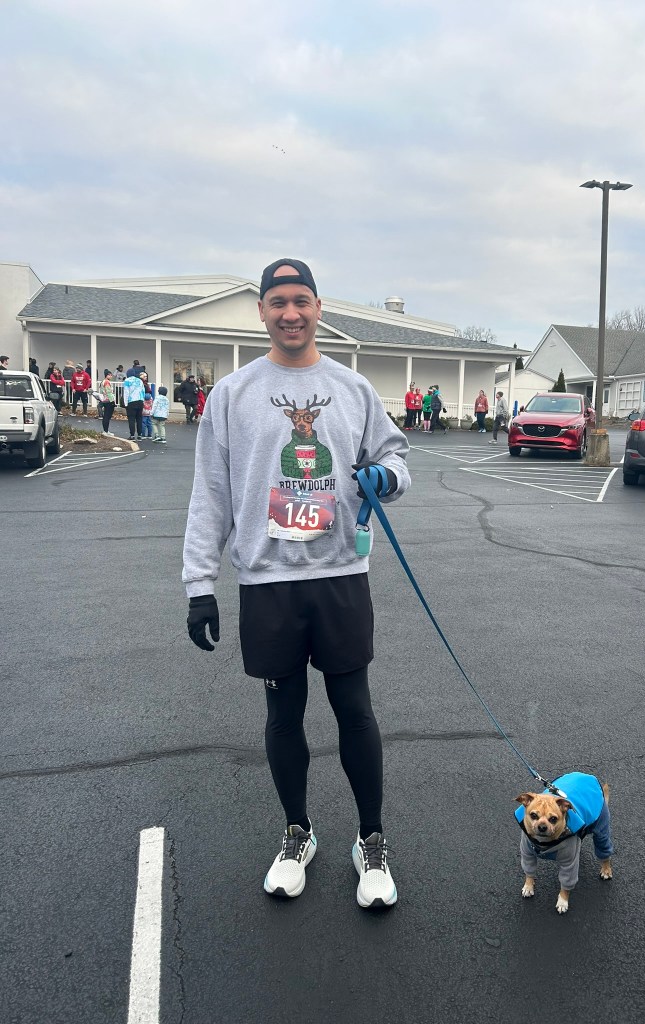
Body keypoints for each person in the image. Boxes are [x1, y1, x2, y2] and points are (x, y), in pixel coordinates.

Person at [183, 257, 410, 910]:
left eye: (301, 299)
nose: (290, 312)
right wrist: (200, 583)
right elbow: (211, 495)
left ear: (318, 307)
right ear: (261, 311)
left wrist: (386, 479)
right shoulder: (231, 396)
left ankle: (371, 843)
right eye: (277, 300)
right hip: (268, 583)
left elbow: (396, 455)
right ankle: (297, 835)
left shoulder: (353, 388)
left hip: (340, 578)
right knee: (283, 714)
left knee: (355, 712)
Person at [123, 369, 145, 440]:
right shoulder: (140, 380)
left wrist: (125, 403)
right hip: (140, 400)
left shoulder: (127, 381)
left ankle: (132, 435)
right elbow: (143, 391)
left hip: (131, 401)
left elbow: (126, 393)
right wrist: (143, 400)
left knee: (131, 419)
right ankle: (140, 435)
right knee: (139, 418)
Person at [100, 370, 116, 435]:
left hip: (104, 400)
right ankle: (105, 431)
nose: (111, 376)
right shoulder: (107, 382)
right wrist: (112, 401)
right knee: (107, 416)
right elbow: (109, 392)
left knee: (106, 416)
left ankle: (106, 430)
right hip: (108, 400)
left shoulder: (103, 382)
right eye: (110, 375)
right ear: (107, 375)